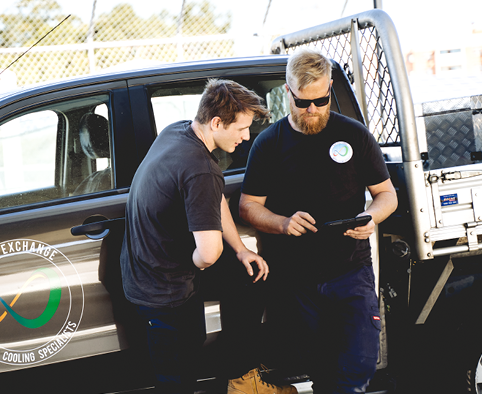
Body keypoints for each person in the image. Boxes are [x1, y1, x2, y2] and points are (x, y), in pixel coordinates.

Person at [239, 47, 398, 394]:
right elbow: (248, 206)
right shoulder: (269, 144)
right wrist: (282, 223)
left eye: (321, 100)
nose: (312, 109)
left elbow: (387, 195)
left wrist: (371, 217)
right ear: (288, 93)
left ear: (328, 90)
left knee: (359, 363)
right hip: (296, 280)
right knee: (320, 371)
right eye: (302, 102)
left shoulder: (354, 135)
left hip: (350, 271)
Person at [120, 79, 270, 394]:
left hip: (144, 270)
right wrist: (195, 263)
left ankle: (242, 379)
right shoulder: (200, 167)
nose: (246, 136)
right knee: (178, 380)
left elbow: (213, 199)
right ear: (216, 122)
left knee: (248, 276)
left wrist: (241, 250)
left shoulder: (179, 132)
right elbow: (210, 252)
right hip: (164, 291)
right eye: (241, 128)